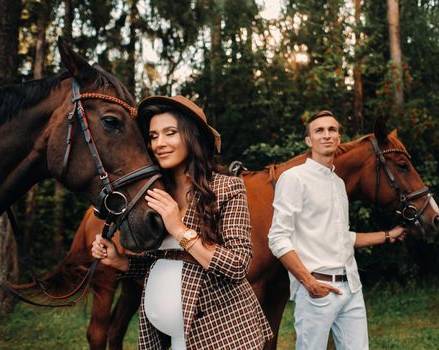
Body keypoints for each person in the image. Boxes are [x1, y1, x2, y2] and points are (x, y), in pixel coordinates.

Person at [91, 95, 273, 349]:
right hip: (168, 339)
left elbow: (238, 264)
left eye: (170, 133)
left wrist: (179, 228)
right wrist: (120, 261)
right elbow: (164, 261)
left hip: (222, 336)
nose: (159, 144)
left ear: (192, 136)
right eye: (153, 136)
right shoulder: (155, 192)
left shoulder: (227, 187)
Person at [268, 110, 407, 350]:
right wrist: (308, 282)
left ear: (339, 138)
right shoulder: (293, 179)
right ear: (308, 141)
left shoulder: (338, 183)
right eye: (319, 130)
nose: (326, 135)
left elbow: (343, 238)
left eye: (332, 130)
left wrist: (388, 235)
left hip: (351, 288)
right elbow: (278, 238)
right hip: (317, 292)